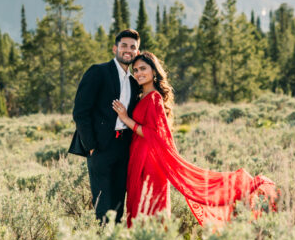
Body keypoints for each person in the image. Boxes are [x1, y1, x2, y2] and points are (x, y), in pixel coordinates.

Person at [111, 52, 277, 228]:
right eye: (135, 70)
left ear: (154, 71)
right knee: (138, 208)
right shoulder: (142, 96)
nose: (138, 73)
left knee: (149, 210)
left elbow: (155, 134)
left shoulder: (154, 98)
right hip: (139, 157)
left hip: (150, 163)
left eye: (143, 68)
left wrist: (125, 118)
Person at [69, 29, 142, 223]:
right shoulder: (98, 72)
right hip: (100, 148)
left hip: (124, 148)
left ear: (137, 51)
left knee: (118, 204)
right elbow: (80, 112)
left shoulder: (135, 83)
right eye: (124, 45)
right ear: (115, 48)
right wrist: (91, 146)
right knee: (103, 206)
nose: (128, 50)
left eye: (133, 47)